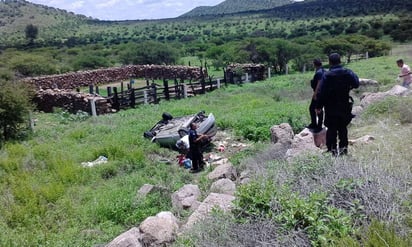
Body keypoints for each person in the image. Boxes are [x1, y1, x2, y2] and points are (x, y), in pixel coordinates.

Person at [315, 53, 359, 156]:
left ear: (330, 62)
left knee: (331, 129)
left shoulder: (327, 75)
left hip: (330, 106)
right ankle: (344, 151)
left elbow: (321, 92)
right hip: (344, 105)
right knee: (343, 128)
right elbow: (356, 84)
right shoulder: (347, 72)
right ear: (340, 61)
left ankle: (332, 151)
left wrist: (318, 106)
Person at [307, 58, 325, 132]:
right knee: (317, 109)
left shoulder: (319, 72)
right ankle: (316, 124)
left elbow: (319, 83)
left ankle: (317, 125)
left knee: (314, 108)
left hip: (319, 94)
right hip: (323, 93)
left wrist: (315, 94)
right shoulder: (323, 70)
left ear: (314, 64)